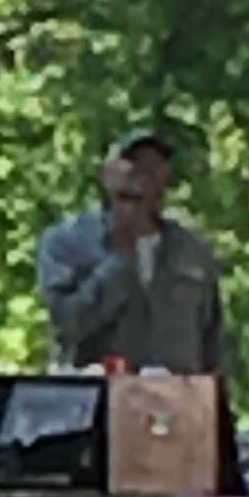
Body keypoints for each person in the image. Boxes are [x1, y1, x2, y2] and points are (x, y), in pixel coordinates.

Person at [35, 132, 229, 375]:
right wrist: (120, 262)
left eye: (154, 167)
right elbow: (67, 325)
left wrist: (216, 404)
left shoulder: (192, 250)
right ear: (106, 174)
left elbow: (212, 342)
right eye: (132, 164)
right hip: (97, 397)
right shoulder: (67, 241)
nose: (142, 176)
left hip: (175, 400)